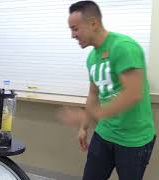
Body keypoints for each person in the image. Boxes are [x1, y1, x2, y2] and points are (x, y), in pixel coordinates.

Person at [63, 1, 156, 179]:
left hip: (133, 140)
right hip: (104, 133)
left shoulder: (123, 47)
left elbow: (133, 94)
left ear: (93, 23)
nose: (72, 35)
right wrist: (84, 126)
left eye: (75, 29)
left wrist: (94, 115)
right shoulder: (92, 58)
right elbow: (94, 93)